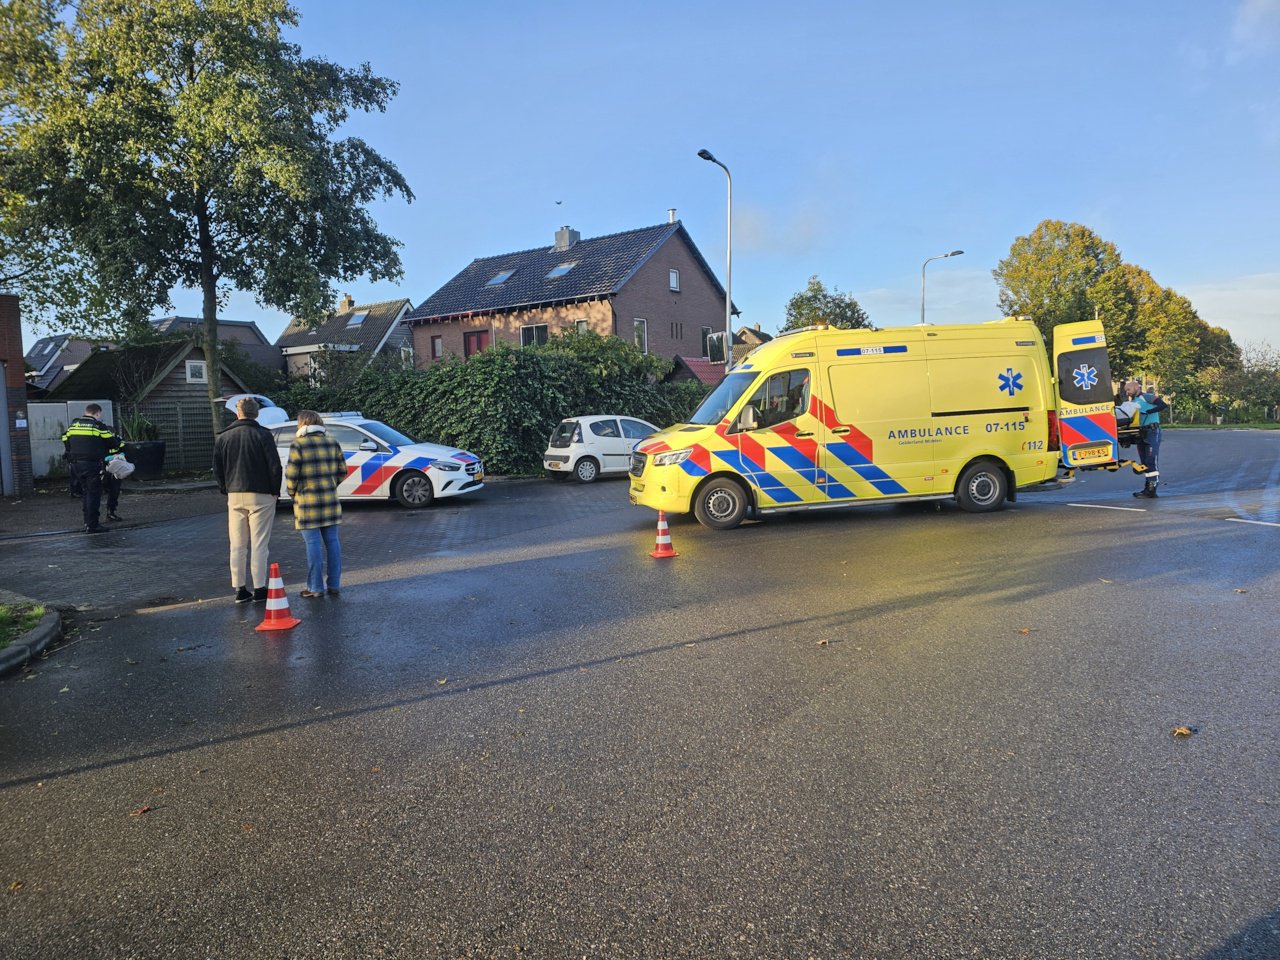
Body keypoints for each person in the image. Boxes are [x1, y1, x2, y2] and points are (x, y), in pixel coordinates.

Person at [212, 396, 283, 603]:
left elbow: (218, 468)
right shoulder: (263, 434)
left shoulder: (223, 437)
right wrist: (274, 491)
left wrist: (225, 489)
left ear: (237, 413)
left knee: (237, 544)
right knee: (259, 543)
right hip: (261, 493)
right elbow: (274, 466)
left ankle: (239, 589)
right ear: (257, 413)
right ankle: (260, 588)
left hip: (234, 493)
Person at [285, 410, 347, 598]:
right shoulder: (332, 442)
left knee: (313, 544)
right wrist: (330, 485)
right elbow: (342, 471)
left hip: (307, 503)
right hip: (330, 501)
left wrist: (292, 492)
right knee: (333, 543)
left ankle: (315, 588)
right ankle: (334, 584)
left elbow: (291, 476)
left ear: (302, 425)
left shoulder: (298, 445)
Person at [60, 403, 123, 534]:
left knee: (85, 493)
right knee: (94, 494)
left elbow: (65, 438)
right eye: (100, 415)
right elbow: (112, 443)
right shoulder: (98, 426)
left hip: (76, 465)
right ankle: (93, 525)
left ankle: (87, 522)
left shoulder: (74, 425)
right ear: (97, 413)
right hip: (92, 464)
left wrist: (70, 451)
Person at [1124, 379, 1168, 498]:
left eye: (1129, 389)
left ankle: (1152, 490)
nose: (1127, 392)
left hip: (1152, 430)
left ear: (1136, 387)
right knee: (1144, 462)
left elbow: (1163, 405)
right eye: (1126, 390)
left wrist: (1148, 411)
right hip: (1141, 432)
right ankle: (1147, 489)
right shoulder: (1133, 401)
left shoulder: (1146, 397)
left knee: (1151, 460)